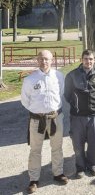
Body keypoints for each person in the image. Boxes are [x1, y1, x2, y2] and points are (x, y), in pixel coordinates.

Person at [21, 50, 68, 194]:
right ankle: (34, 179)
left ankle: (58, 173)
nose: (44, 62)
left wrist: (51, 110)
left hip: (56, 118)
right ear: (37, 60)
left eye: (47, 59)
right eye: (41, 59)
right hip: (37, 119)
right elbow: (25, 100)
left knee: (57, 147)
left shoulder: (59, 76)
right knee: (35, 150)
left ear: (52, 60)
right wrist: (38, 111)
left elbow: (61, 93)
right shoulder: (30, 79)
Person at [64, 49, 95, 178]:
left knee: (94, 142)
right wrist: (77, 105)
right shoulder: (72, 75)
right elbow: (67, 94)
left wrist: (94, 105)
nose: (88, 61)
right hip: (77, 116)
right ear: (81, 60)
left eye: (91, 59)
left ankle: (92, 165)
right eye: (86, 59)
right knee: (78, 143)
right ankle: (80, 168)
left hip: (94, 115)